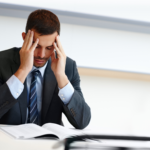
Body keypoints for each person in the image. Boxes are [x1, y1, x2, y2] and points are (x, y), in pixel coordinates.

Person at [0, 9, 91, 129]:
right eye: (36, 46)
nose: (41, 55)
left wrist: (61, 77)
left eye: (49, 47)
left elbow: (82, 121)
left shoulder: (68, 67)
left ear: (56, 43)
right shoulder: (2, 61)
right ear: (24, 37)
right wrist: (22, 71)